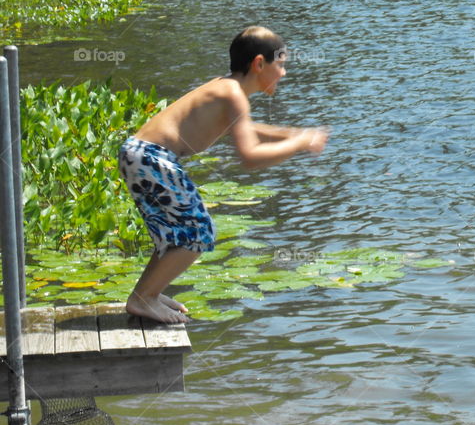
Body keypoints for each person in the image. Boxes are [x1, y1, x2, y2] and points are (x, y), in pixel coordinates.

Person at [118, 26, 329, 323]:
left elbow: (246, 127)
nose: (283, 73)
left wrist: (291, 133)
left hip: (140, 155)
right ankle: (144, 298)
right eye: (280, 64)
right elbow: (250, 156)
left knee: (180, 231)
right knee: (198, 231)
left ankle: (148, 292)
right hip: (152, 158)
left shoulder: (228, 89)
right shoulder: (233, 95)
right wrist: (299, 143)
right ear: (259, 63)